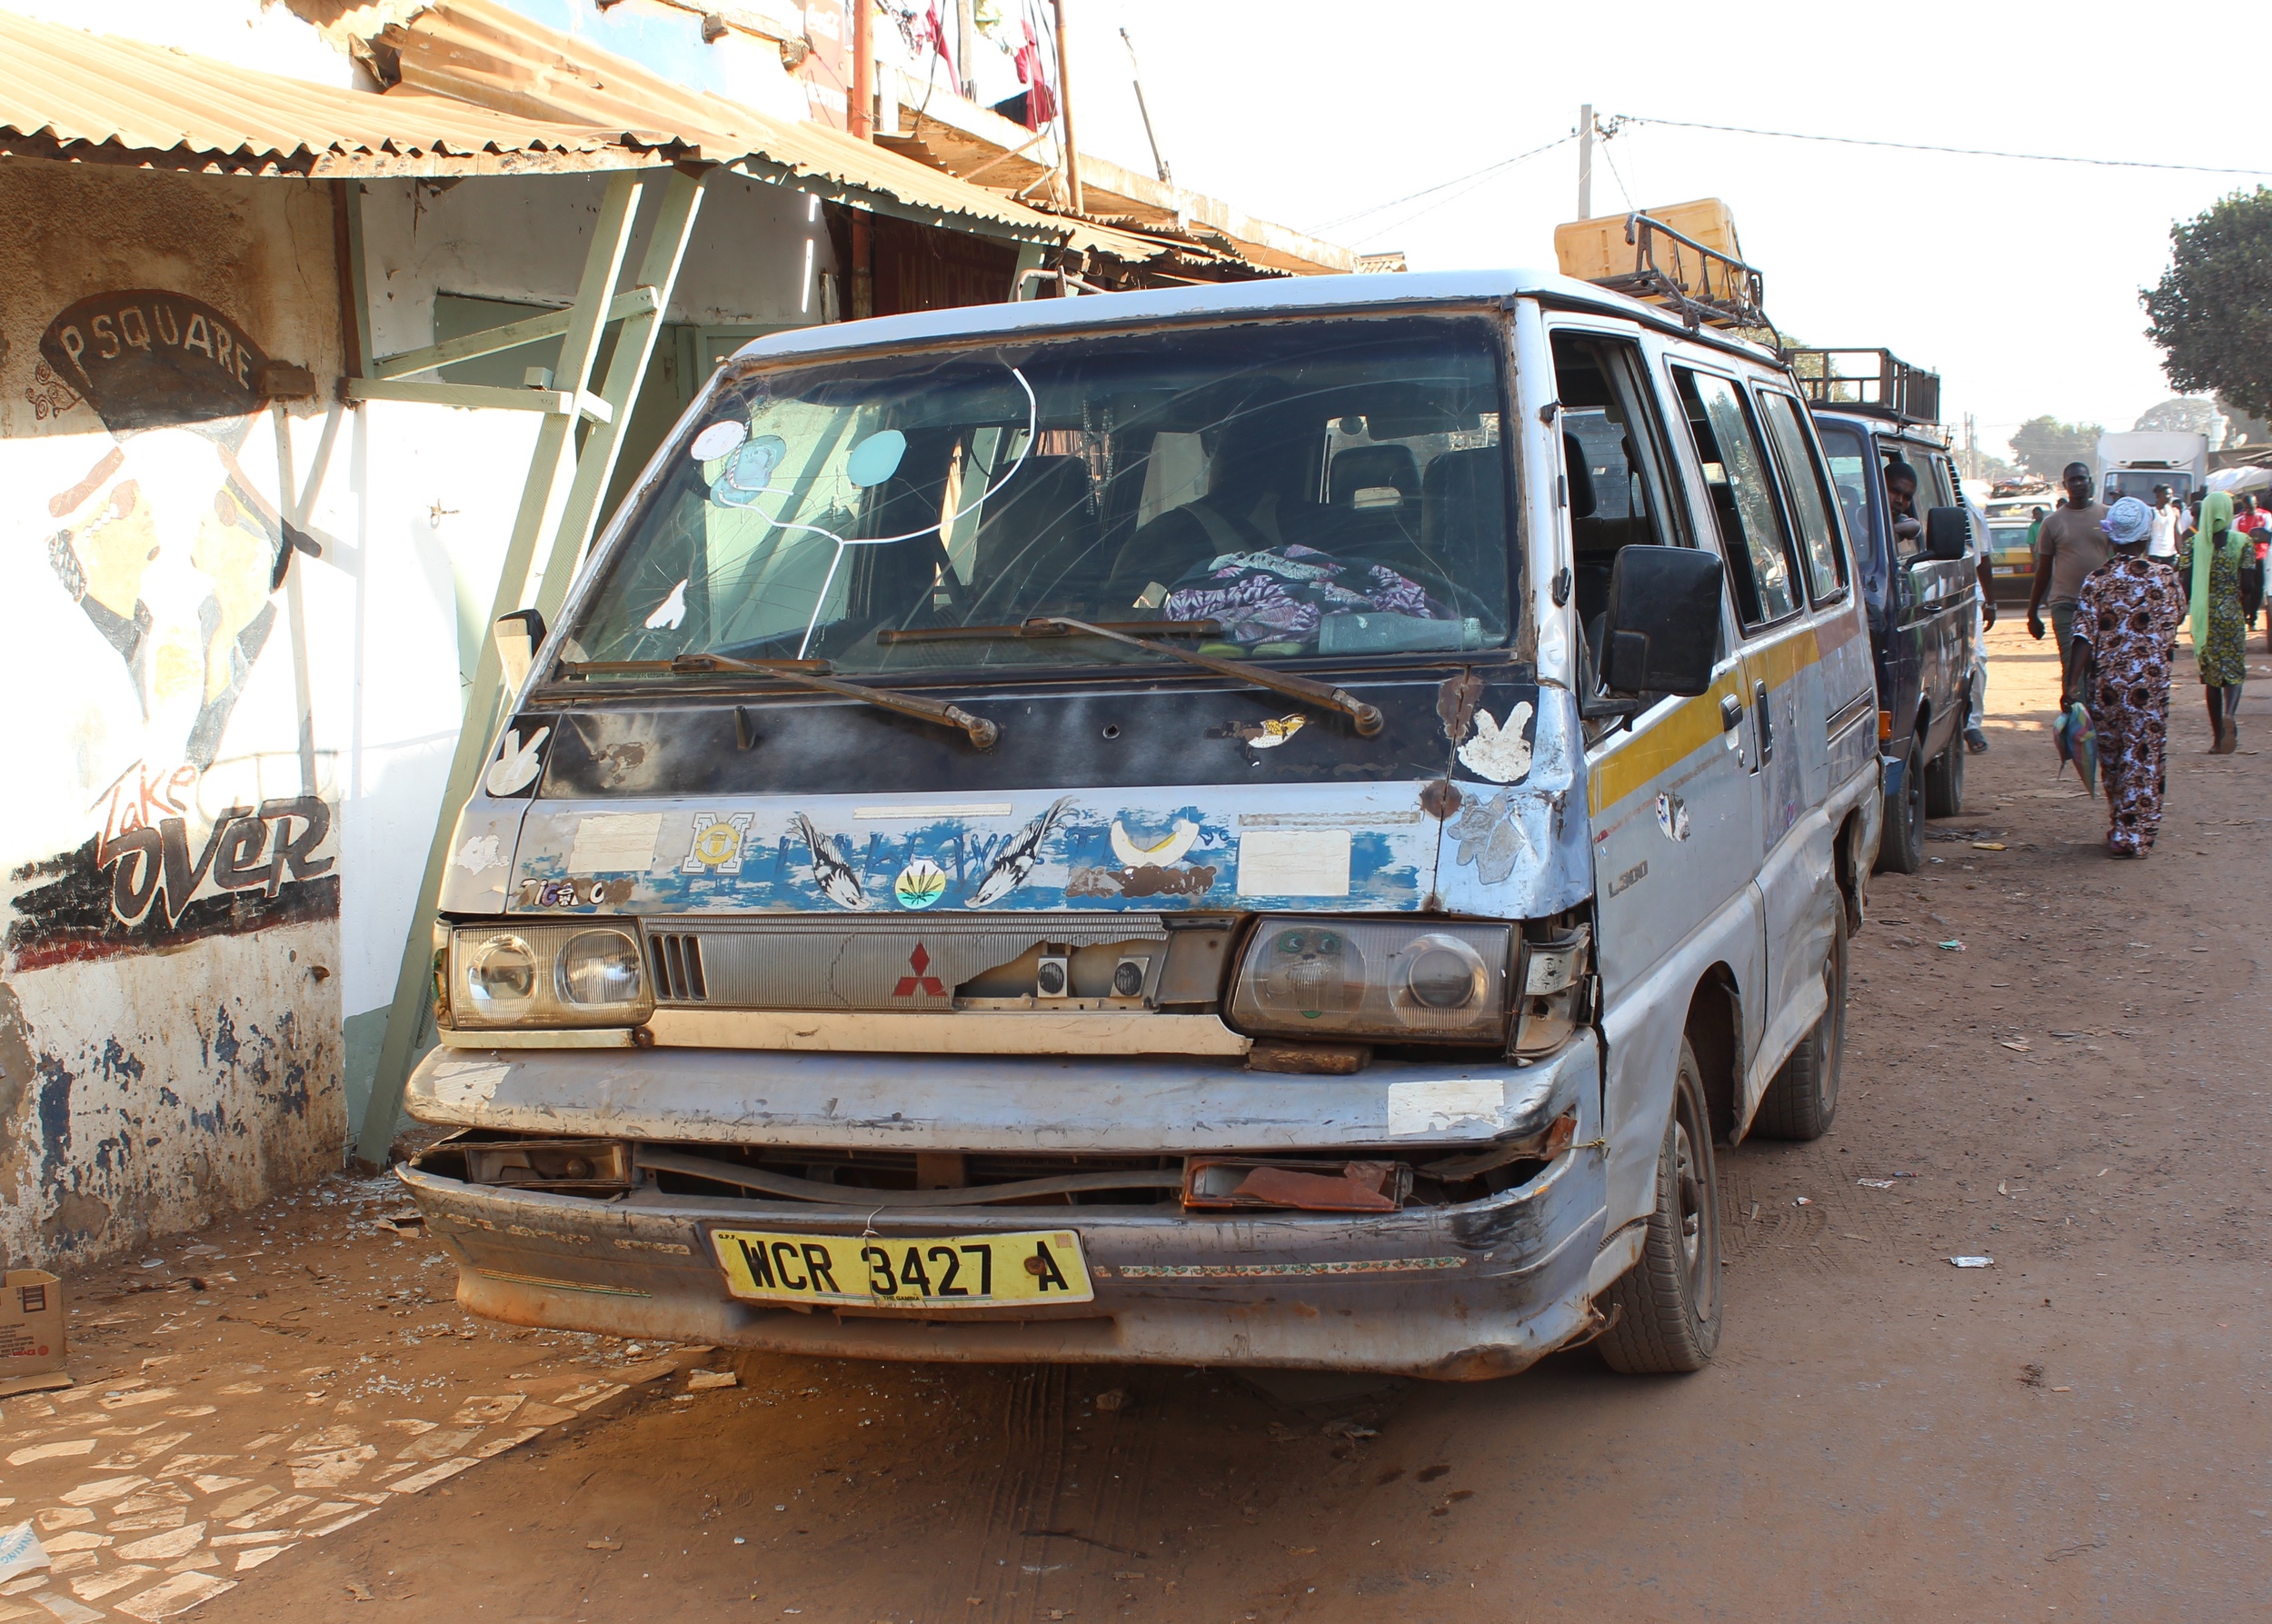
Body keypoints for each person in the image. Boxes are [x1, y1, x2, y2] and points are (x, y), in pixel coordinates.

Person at [2065, 497, 2185, 857]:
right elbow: (2176, 619)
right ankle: (2135, 833)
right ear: (2146, 537)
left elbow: (2083, 636)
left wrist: (2072, 684)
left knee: (2114, 757)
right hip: (2151, 689)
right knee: (2144, 757)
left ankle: (2121, 825)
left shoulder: (2097, 581)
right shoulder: (2166, 578)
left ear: (2111, 539)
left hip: (2109, 689)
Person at [2187, 490, 2249, 752]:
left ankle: (2216, 740)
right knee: (2233, 671)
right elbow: (2249, 583)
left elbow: (2184, 581)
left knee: (2211, 679)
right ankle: (2231, 714)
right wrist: (2243, 609)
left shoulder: (2194, 544)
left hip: (2206, 618)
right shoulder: (2242, 542)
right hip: (2231, 614)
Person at [2027, 462, 2111, 653]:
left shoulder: (2107, 515)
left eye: (2082, 479)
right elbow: (2044, 570)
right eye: (2072, 480)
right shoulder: (2052, 523)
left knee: (2101, 665)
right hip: (2066, 604)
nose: (2078, 484)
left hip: (2101, 602)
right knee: (2072, 663)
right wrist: (2032, 613)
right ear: (2065, 485)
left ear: (2089, 482)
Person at [2235, 493, 2267, 630]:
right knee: (2246, 587)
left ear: (2256, 503)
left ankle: (2253, 617)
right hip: (2244, 558)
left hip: (2261, 556)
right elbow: (2235, 537)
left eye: (2252, 505)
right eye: (2247, 506)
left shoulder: (2265, 516)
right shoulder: (2238, 520)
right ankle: (2244, 614)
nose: (2250, 509)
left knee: (2258, 588)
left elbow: (2266, 534)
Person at [2148, 484, 2183, 560]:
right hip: (2155, 553)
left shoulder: (2174, 512)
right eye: (2168, 494)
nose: (2171, 496)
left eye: (2171, 494)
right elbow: (2147, 535)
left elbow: (2178, 533)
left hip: (2171, 553)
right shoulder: (2151, 512)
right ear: (2159, 496)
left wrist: (2181, 552)